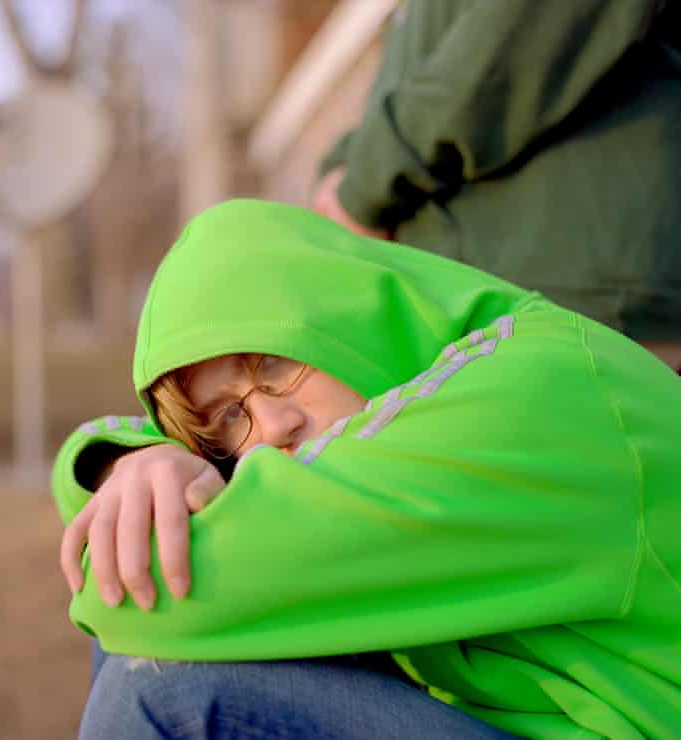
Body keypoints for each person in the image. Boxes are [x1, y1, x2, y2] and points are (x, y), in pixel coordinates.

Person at [54, 199, 681, 738]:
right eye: (226, 417)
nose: (271, 430)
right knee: (138, 532)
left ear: (342, 303)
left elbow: (141, 600)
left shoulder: (541, 392)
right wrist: (139, 463)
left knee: (159, 685)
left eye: (273, 364)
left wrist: (152, 497)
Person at [311, 0, 681, 370]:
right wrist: (344, 172)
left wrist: (361, 186)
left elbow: (499, 59)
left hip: (580, 305)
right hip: (506, 315)